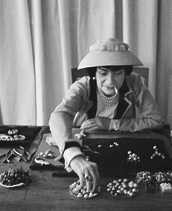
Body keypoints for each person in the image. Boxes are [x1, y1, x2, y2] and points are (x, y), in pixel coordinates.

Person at [49, 38, 165, 193]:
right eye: (103, 73)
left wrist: (112, 124)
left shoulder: (135, 82)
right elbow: (59, 115)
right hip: (85, 143)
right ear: (94, 72)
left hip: (124, 145)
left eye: (118, 73)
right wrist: (73, 155)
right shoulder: (82, 86)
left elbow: (156, 120)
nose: (111, 81)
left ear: (126, 72)